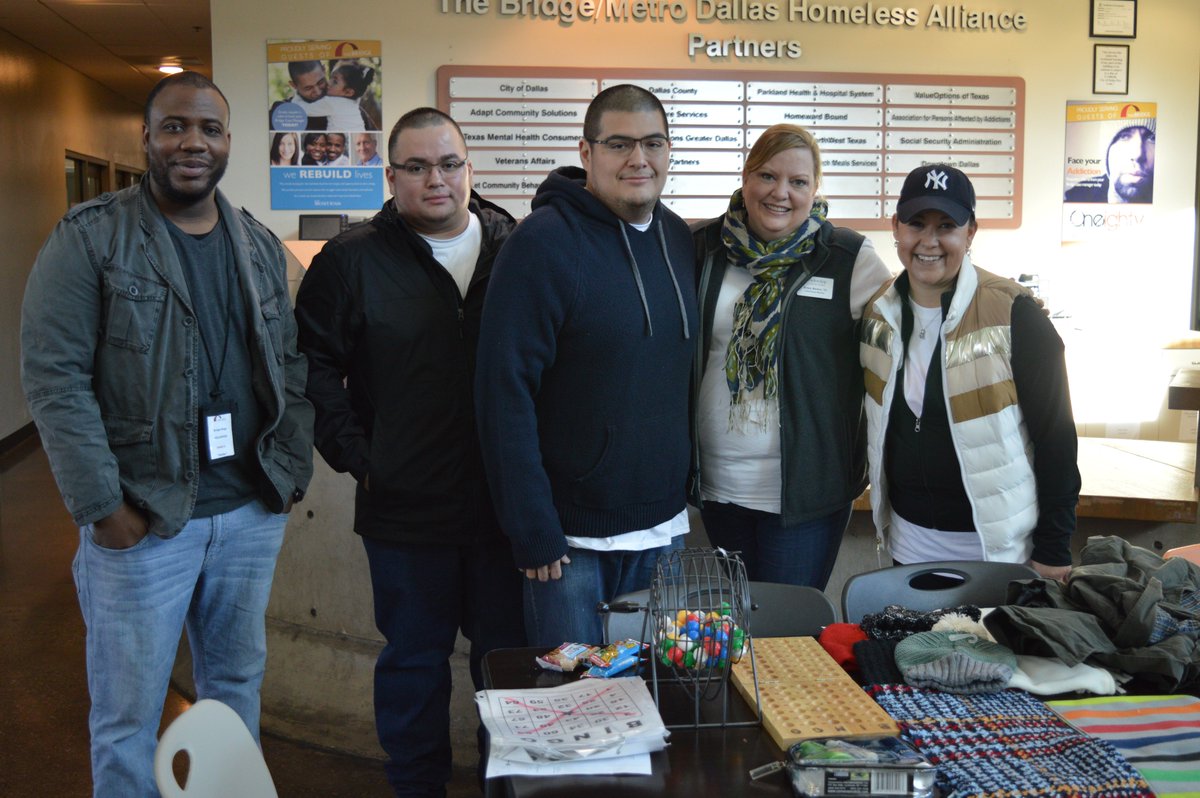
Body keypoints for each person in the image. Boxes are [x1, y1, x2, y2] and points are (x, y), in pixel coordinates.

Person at [20, 71, 314, 797]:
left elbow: (290, 364)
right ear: (146, 137)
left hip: (247, 512)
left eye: (209, 129)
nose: (193, 143)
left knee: (235, 687)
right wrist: (103, 508)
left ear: (228, 141)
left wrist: (288, 470)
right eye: (175, 126)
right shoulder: (90, 237)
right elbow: (55, 379)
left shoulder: (255, 243)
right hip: (145, 517)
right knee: (129, 715)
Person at [294, 107, 525, 798]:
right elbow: (310, 368)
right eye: (417, 167)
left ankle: (505, 785)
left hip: (503, 510)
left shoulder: (517, 249)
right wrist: (363, 460)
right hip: (404, 510)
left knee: (508, 667)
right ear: (391, 177)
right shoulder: (352, 260)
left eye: (449, 164)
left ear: (470, 169)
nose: (436, 180)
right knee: (414, 666)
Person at [476, 84, 697, 647]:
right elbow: (504, 392)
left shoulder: (677, 237)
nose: (638, 159)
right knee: (573, 698)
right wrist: (531, 526)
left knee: (655, 688)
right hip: (570, 544)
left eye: (653, 143)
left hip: (663, 531)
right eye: (619, 144)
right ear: (586, 151)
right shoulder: (542, 243)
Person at [690, 124, 893, 590]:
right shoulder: (705, 248)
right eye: (767, 175)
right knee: (742, 619)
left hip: (808, 492)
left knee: (790, 625)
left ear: (814, 189)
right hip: (719, 484)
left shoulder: (847, 257)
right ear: (745, 177)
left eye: (798, 181)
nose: (780, 193)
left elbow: (906, 330)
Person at [861, 164, 1079, 580]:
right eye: (916, 224)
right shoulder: (878, 314)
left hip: (998, 554)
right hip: (908, 545)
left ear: (971, 232)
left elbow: (1057, 439)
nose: (929, 241)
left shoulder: (1015, 314)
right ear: (896, 228)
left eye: (946, 226)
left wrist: (1054, 548)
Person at [1064, 120, 1155, 204]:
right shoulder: (1074, 201)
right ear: (1106, 153)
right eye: (1124, 136)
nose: (1138, 155)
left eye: (1152, 138)